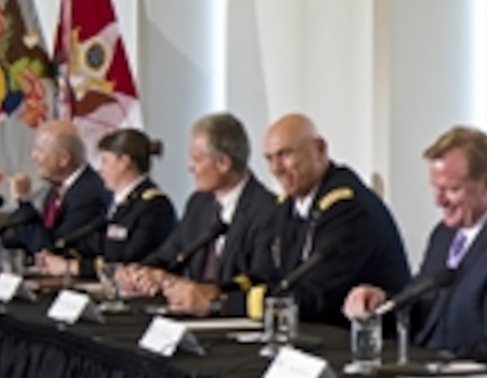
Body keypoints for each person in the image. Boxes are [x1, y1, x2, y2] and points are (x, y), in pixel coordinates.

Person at [343, 126, 487, 363]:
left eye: (452, 189)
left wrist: (429, 364)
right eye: (435, 188)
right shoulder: (444, 234)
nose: (438, 201)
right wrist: (381, 303)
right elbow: (423, 311)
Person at [175, 113, 410, 324]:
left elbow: (313, 296)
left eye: (285, 154)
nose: (276, 168)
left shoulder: (347, 209)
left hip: (358, 341)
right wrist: (212, 291)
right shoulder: (289, 204)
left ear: (319, 149)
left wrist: (221, 304)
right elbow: (267, 275)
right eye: (269, 158)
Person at [124, 113, 277, 312]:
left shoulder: (267, 210)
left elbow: (259, 279)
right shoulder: (199, 203)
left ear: (223, 163)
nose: (190, 167)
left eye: (196, 159)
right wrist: (145, 273)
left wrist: (207, 293)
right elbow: (169, 254)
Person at [36, 129, 176, 278]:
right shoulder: (119, 204)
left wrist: (71, 267)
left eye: (105, 161)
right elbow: (96, 243)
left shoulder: (154, 206)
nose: (100, 169)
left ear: (124, 163)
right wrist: (60, 254)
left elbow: (128, 260)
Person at [3, 119, 109, 258]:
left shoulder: (88, 193)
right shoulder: (56, 189)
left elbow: (50, 249)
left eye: (40, 150)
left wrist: (23, 201)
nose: (33, 156)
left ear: (63, 159)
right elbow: (34, 236)